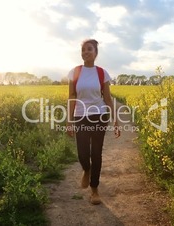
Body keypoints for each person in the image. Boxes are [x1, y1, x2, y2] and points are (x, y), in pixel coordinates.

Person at [66, 39, 121, 205]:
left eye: (89, 49)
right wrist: (69, 121)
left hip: (99, 115)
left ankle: (95, 190)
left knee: (96, 153)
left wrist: (115, 120)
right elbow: (72, 97)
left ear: (96, 53)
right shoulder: (74, 72)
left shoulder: (102, 73)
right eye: (83, 49)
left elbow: (108, 99)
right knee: (83, 153)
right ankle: (86, 170)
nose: (85, 52)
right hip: (81, 116)